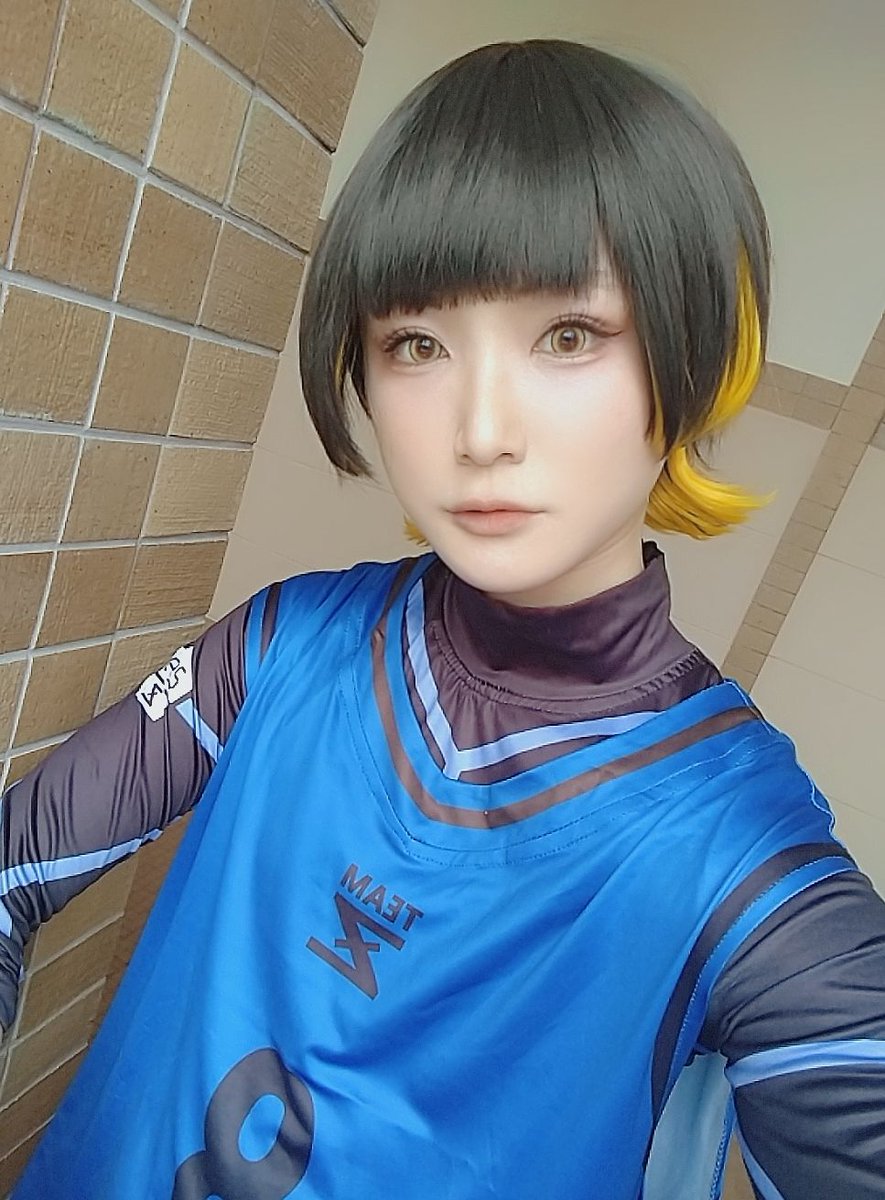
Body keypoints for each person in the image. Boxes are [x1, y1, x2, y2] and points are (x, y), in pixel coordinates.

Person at [2, 39, 884, 1200]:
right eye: (417, 344)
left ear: (694, 353)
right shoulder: (284, 645)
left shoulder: (743, 861)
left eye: (569, 335)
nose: (480, 429)